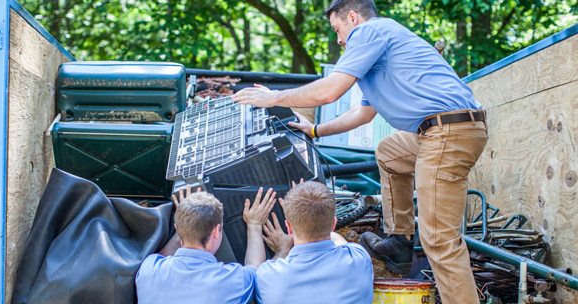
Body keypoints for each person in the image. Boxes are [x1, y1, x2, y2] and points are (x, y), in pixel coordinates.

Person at [232, 0, 488, 303]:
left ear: (352, 17)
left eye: (337, 29)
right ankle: (400, 240)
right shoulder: (379, 53)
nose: (339, 40)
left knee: (439, 241)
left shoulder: (371, 32)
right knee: (389, 152)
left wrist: (274, 97)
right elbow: (363, 115)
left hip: (447, 133)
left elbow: (330, 90)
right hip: (444, 130)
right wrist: (314, 131)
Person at [135, 186, 276, 304]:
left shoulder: (148, 270)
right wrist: (255, 224)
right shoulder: (230, 282)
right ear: (216, 232)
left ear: (176, 227)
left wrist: (186, 221)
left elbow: (161, 257)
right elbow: (256, 271)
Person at [255, 181, 374, 304]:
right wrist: (312, 215)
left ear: (288, 227)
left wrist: (282, 249)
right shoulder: (359, 258)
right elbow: (338, 240)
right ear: (333, 224)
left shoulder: (268, 277)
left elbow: (254, 274)